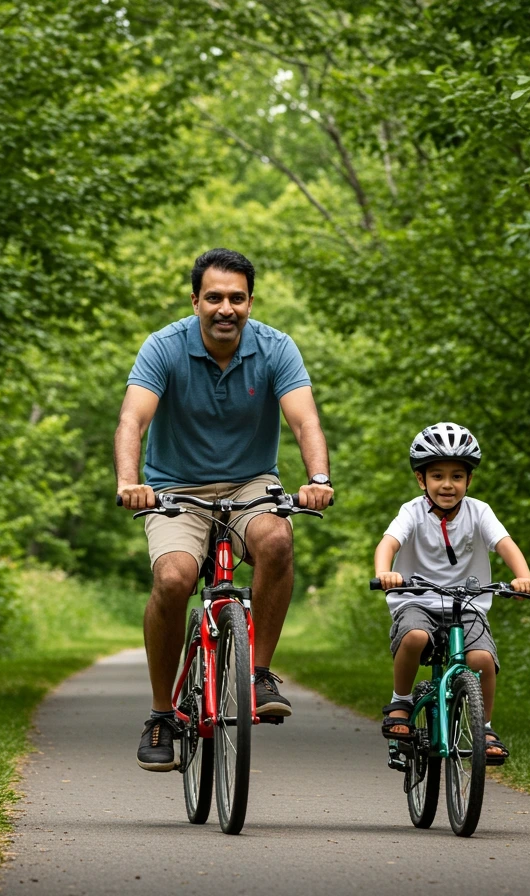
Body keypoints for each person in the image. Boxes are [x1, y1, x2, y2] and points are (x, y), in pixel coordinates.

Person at [115, 248, 334, 772]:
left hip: (250, 484)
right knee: (174, 579)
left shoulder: (277, 348)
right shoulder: (163, 347)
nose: (225, 308)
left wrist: (318, 479)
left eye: (237, 298)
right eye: (214, 297)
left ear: (251, 303)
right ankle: (162, 713)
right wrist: (130, 481)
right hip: (176, 488)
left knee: (278, 540)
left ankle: (257, 674)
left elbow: (305, 421)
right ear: (196, 301)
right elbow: (132, 420)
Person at [373, 422, 530, 765]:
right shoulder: (411, 512)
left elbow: (505, 544)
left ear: (469, 481)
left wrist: (523, 577)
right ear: (422, 480)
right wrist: (384, 572)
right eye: (437, 476)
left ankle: (485, 727)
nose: (447, 484)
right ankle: (401, 701)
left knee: (481, 660)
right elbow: (388, 543)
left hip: (468, 604)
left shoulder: (480, 512)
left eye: (457, 476)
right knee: (415, 636)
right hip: (417, 599)